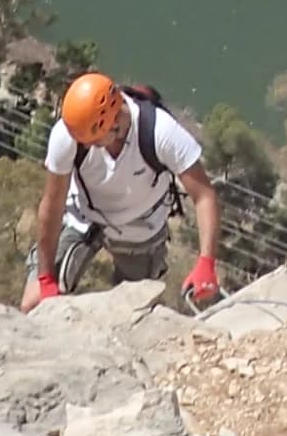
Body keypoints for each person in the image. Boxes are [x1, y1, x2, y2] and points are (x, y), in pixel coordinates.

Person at [22, 70, 223, 311]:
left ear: (114, 123)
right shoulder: (70, 135)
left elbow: (203, 196)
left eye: (92, 140)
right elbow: (52, 206)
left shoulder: (160, 132)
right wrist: (45, 278)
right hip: (83, 214)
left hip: (139, 228)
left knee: (132, 311)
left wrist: (206, 262)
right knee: (33, 303)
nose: (84, 145)